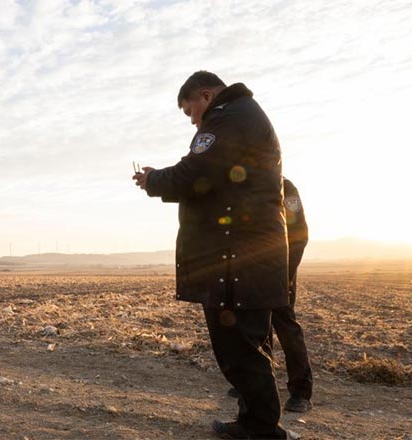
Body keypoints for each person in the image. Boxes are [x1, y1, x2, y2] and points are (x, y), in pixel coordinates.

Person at [133, 71, 297, 439]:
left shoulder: (227, 119)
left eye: (190, 111)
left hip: (237, 257)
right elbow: (212, 178)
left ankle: (262, 429)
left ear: (205, 95)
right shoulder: (243, 116)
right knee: (247, 346)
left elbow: (196, 171)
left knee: (240, 349)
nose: (193, 120)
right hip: (247, 254)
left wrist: (154, 180)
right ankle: (256, 422)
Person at [227, 177, 313, 413]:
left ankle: (301, 392)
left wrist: (286, 274)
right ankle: (259, 383)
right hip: (250, 272)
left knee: (285, 325)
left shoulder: (286, 187)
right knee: (255, 327)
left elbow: (299, 234)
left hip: (280, 271)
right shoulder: (244, 185)